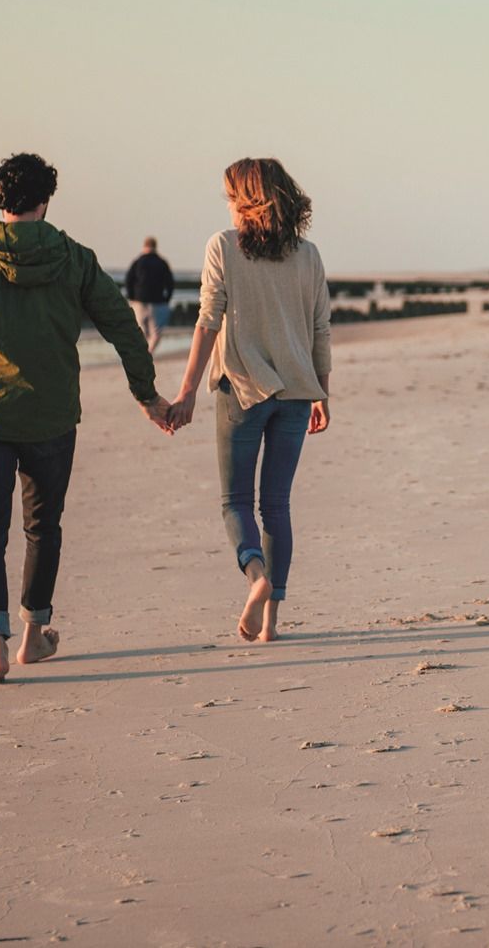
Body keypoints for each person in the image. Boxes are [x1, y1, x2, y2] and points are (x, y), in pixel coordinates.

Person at [0, 152, 174, 687]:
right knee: (42, 526)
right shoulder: (74, 258)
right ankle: (34, 635)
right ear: (45, 201)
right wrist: (146, 394)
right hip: (52, 416)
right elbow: (123, 325)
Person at [167, 158, 331, 643]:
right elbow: (321, 328)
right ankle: (272, 624)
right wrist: (323, 391)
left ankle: (256, 577)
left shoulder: (224, 247)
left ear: (246, 199)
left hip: (243, 388)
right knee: (276, 504)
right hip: (300, 391)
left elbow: (207, 321)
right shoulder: (309, 254)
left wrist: (187, 391)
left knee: (236, 501)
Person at [124, 235, 175, 353]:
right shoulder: (162, 262)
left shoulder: (137, 262)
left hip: (139, 301)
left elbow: (128, 280)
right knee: (155, 332)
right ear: (155, 247)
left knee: (141, 330)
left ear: (144, 246)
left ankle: (143, 354)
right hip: (157, 301)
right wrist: (167, 299)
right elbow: (170, 282)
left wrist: (131, 297)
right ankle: (149, 353)